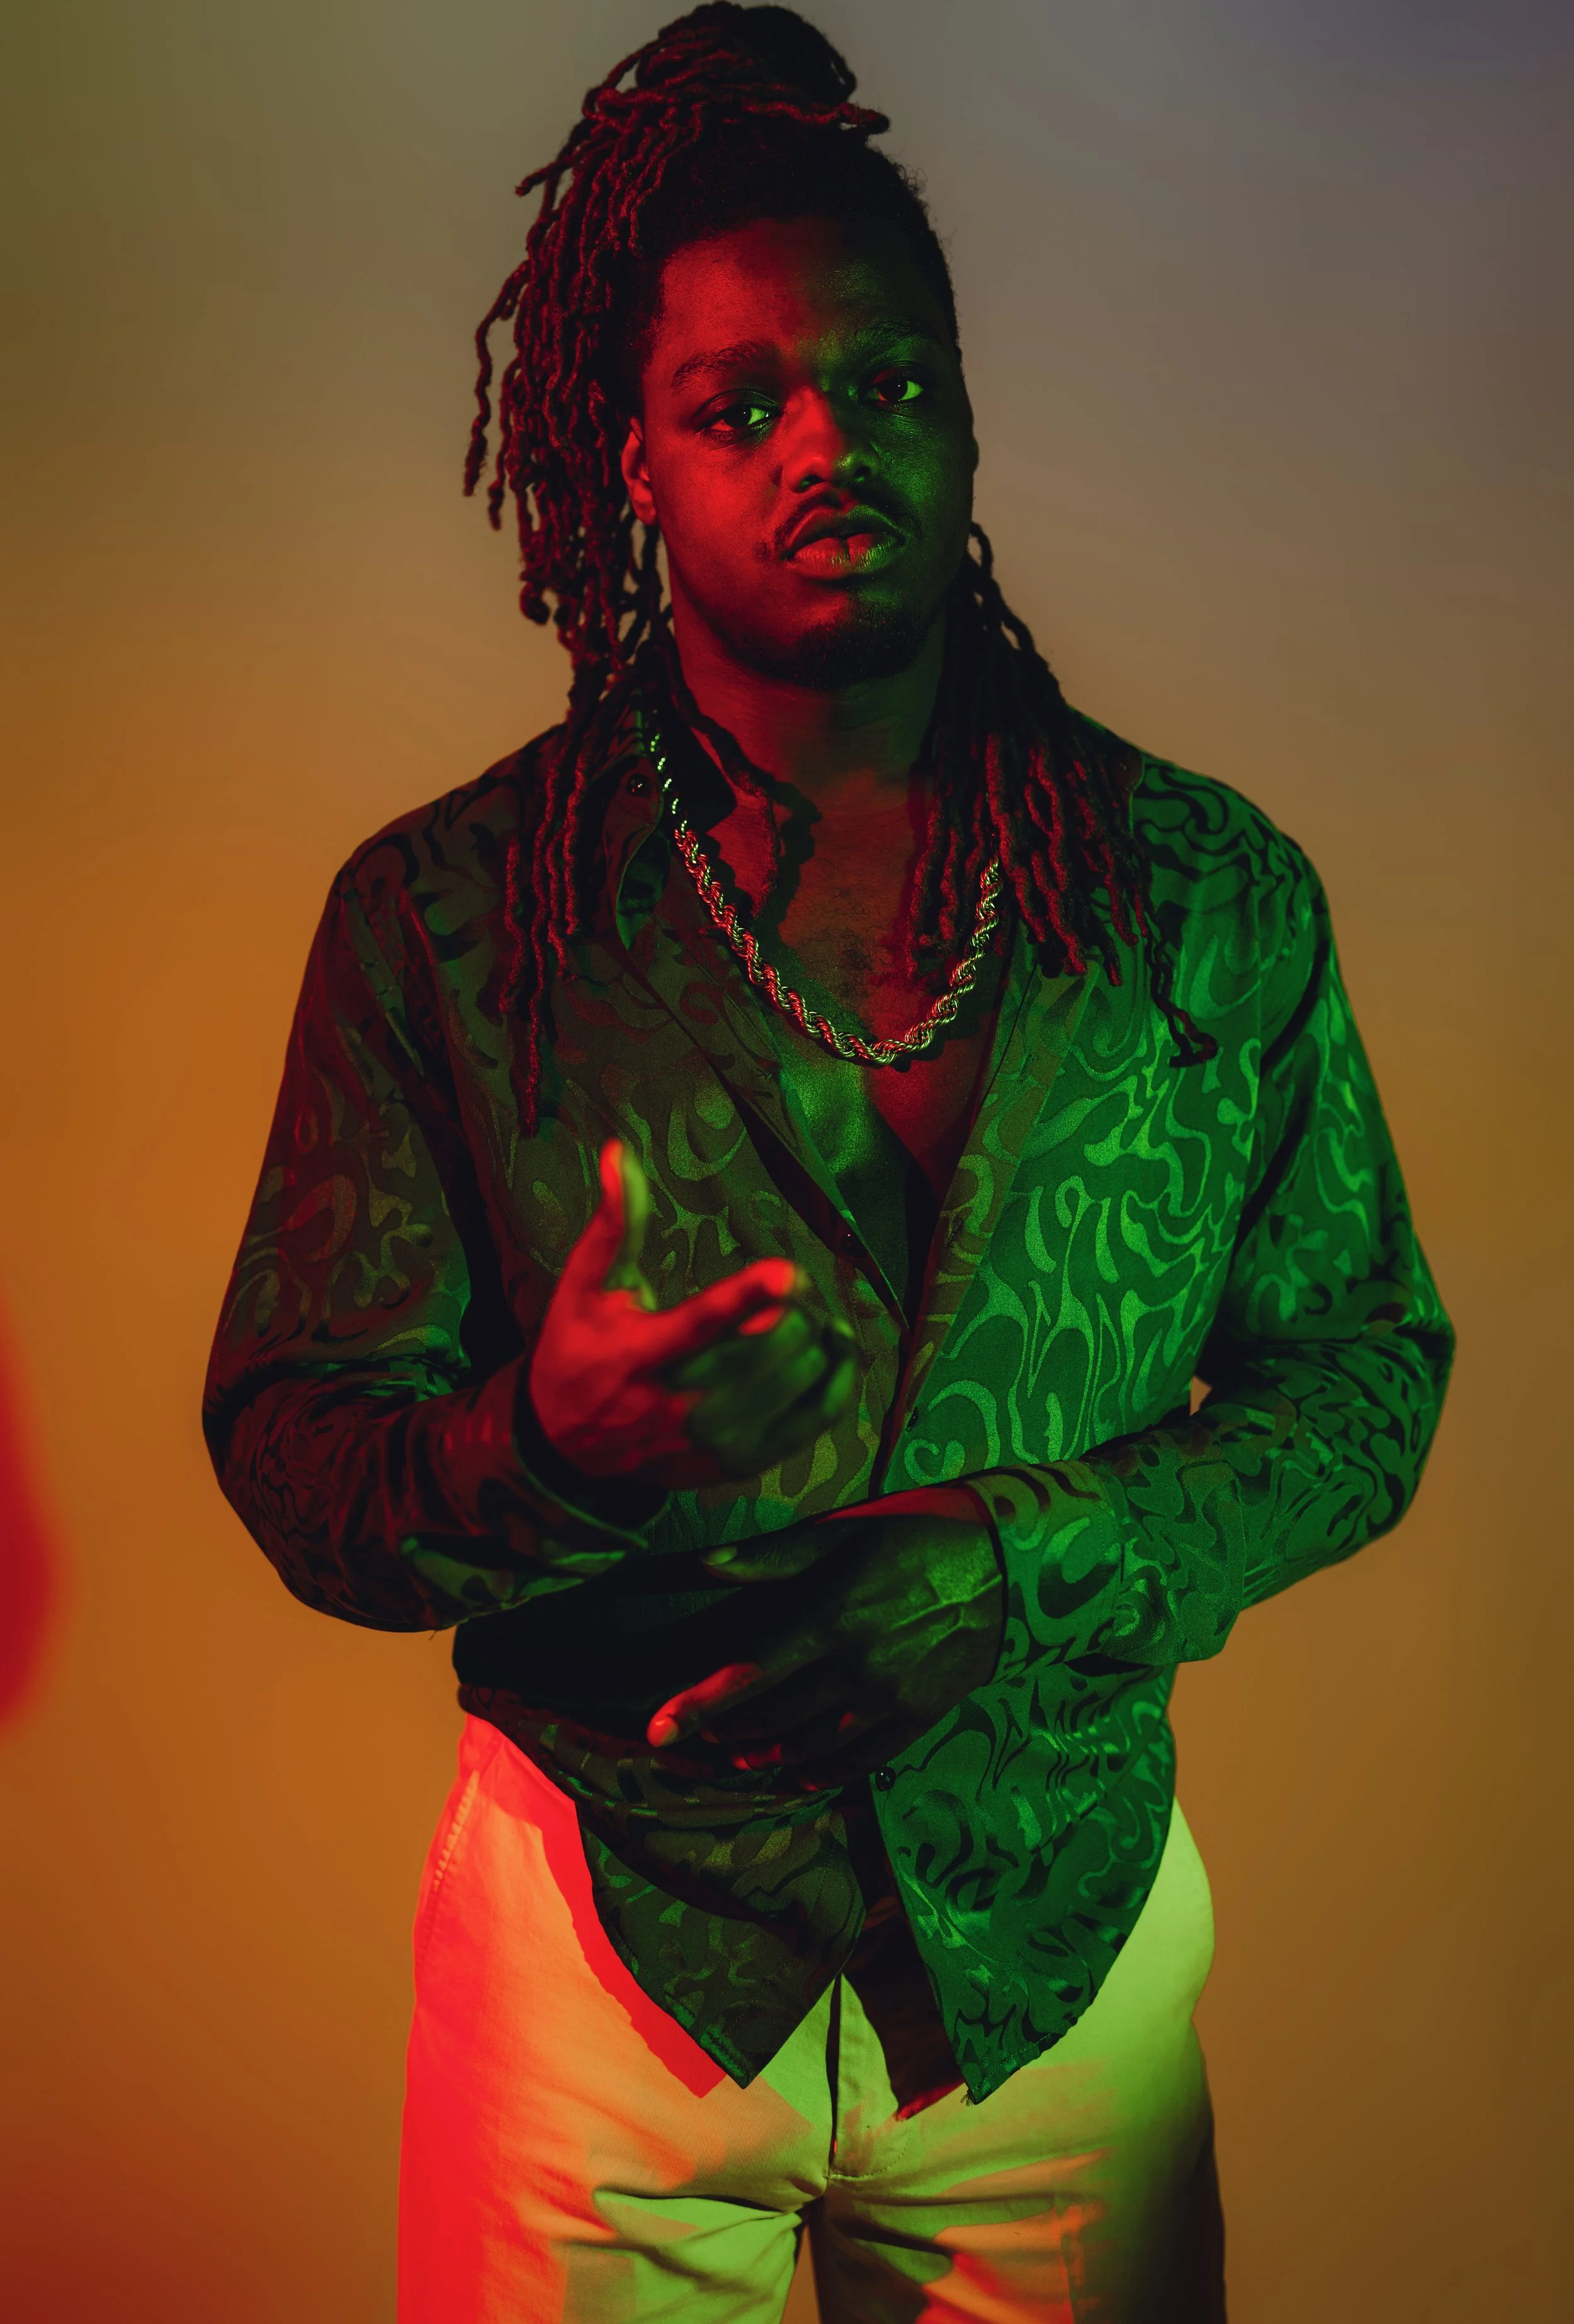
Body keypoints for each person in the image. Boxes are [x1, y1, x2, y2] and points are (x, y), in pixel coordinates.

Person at [203, 7, 1454, 2318]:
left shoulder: (1203, 892)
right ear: (630, 458)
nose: (826, 445)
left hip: (1054, 1953)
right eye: (739, 404)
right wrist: (540, 1446)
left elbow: (1367, 1378)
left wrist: (1020, 1556)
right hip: (608, 1969)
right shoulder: (448, 921)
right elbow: (294, 1455)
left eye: (888, 385)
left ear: (967, 422)